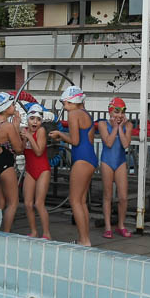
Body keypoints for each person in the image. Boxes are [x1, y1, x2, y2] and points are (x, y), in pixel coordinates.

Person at [49, 86, 97, 246]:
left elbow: (75, 141)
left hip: (81, 159)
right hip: (90, 158)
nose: (64, 106)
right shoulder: (86, 114)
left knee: (75, 201)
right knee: (81, 201)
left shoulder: (74, 114)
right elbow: (85, 139)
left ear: (72, 101)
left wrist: (60, 134)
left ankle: (84, 240)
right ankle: (85, 239)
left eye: (65, 103)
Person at [0, 93, 24, 233]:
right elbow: (19, 149)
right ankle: (5, 234)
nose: (14, 106)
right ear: (6, 108)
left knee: (0, 202)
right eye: (12, 104)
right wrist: (17, 127)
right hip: (5, 165)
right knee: (13, 203)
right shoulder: (7, 126)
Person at [98, 97, 134, 239]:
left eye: (122, 112)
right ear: (110, 111)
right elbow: (108, 143)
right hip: (107, 161)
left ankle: (121, 225)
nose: (119, 115)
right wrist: (114, 128)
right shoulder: (102, 124)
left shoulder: (128, 125)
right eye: (117, 111)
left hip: (120, 162)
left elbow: (125, 144)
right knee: (107, 196)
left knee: (123, 197)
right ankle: (108, 227)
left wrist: (119, 127)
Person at [22, 104, 51, 239]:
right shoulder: (25, 131)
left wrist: (29, 136)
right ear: (27, 119)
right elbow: (20, 150)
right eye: (32, 118)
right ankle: (34, 231)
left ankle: (46, 233)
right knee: (28, 204)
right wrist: (23, 137)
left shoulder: (41, 131)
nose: (35, 122)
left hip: (42, 170)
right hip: (30, 170)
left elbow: (39, 152)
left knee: (39, 203)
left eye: (38, 119)